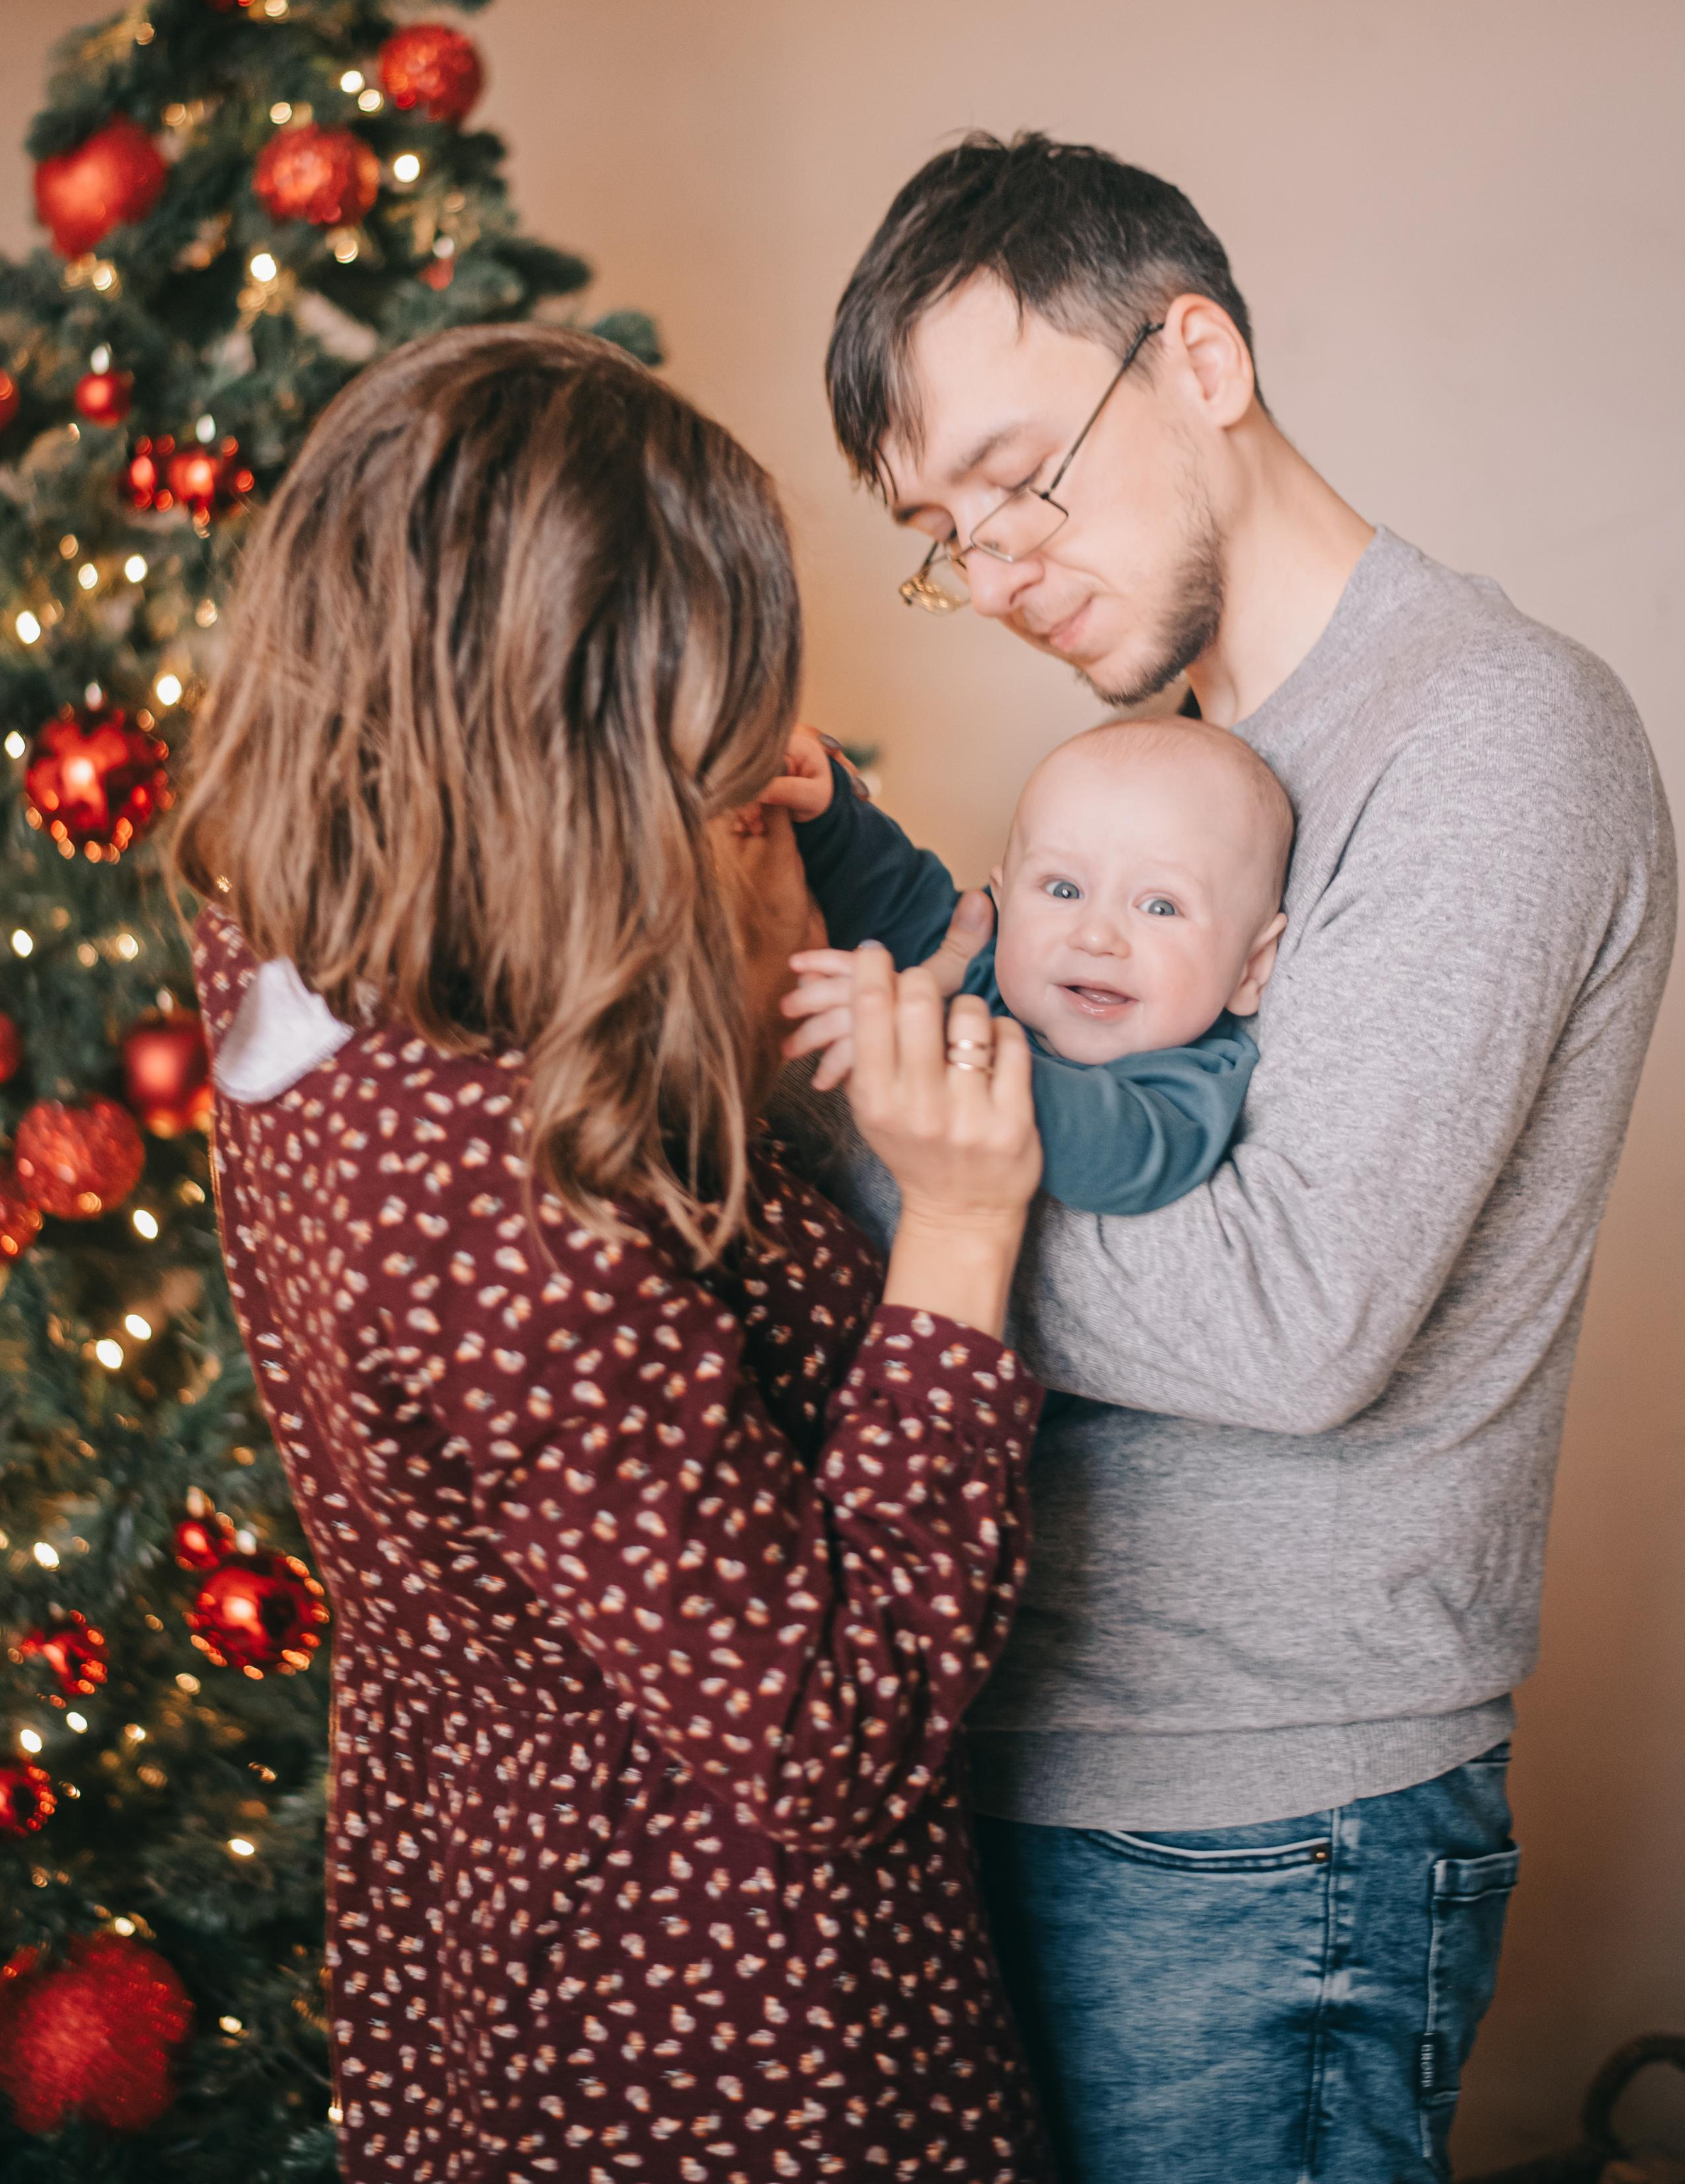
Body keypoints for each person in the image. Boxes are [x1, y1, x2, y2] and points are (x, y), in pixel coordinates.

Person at [776, 135, 1677, 2184]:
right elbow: (979, 1006)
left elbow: (1293, 1321)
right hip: (1025, 1744)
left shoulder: (1493, 734)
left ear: (1200, 355)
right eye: (941, 530)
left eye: (1020, 475)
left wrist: (879, 1179)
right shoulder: (1169, 770)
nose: (992, 564)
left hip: (1267, 1824)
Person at [174, 325, 1057, 2183]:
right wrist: (963, 1231)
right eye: (716, 748)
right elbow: (822, 1730)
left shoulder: (285, 956)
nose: (760, 763)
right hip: (720, 2015)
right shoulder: (514, 1212)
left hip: (482, 1888)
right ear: (583, 755)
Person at [772, 714, 1291, 1212]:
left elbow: (1125, 1148)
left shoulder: (1190, 1088)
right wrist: (831, 818)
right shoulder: (991, 973)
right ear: (1006, 903)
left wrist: (936, 1049)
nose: (1095, 935)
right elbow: (897, 902)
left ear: (1251, 967)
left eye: (1161, 906)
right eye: (1064, 889)